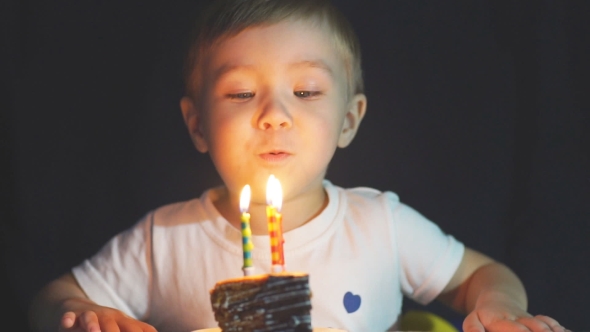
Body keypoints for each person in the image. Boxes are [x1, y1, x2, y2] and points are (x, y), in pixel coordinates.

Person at [29, 0, 570, 331]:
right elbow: (50, 300)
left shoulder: (380, 225)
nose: (273, 115)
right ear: (197, 125)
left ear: (349, 120)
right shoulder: (163, 239)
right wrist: (79, 315)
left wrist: (499, 309)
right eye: (240, 94)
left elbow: (482, 274)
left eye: (306, 90)